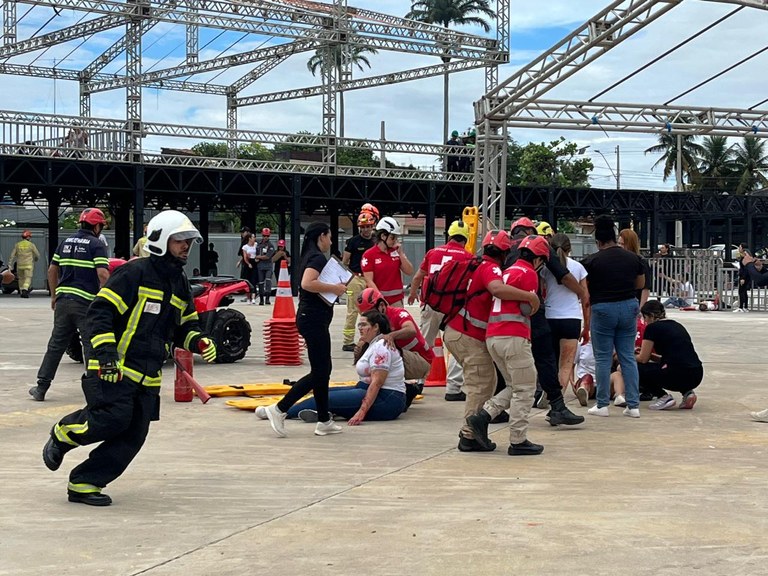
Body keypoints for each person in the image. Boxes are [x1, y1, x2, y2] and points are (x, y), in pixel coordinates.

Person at [40, 210, 217, 506]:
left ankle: (85, 482)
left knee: (134, 435)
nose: (186, 246)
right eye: (180, 240)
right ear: (160, 240)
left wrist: (198, 341)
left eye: (189, 241)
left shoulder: (179, 282)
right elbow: (100, 312)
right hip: (114, 368)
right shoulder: (134, 273)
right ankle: (64, 432)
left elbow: (185, 325)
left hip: (147, 374)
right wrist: (107, 357)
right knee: (110, 419)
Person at [442, 230, 540, 452]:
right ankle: (470, 436)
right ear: (505, 253)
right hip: (469, 334)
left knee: (488, 382)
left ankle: (474, 431)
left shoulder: (476, 265)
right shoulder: (490, 268)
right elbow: (496, 288)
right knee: (481, 385)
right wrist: (530, 296)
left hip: (458, 331)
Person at [465, 235, 551, 456]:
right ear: (539, 259)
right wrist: (534, 301)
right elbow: (525, 309)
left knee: (513, 385)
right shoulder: (529, 274)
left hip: (493, 337)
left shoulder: (507, 271)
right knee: (526, 388)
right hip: (514, 337)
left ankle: (482, 416)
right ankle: (518, 440)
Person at [262, 222, 347, 438]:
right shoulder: (317, 258)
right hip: (313, 320)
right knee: (320, 371)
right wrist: (335, 288)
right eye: (329, 236)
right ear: (321, 236)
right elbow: (308, 283)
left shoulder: (308, 256)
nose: (330, 241)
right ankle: (280, 409)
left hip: (312, 319)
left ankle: (324, 420)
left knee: (323, 370)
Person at [505, 217, 586, 426]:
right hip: (534, 311)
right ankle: (557, 406)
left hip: (503, 313)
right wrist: (582, 293)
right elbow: (564, 276)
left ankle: (495, 407)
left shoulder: (504, 246)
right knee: (545, 358)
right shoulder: (537, 245)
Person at [29, 208, 110, 402]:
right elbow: (103, 275)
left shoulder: (64, 243)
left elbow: (51, 270)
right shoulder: (96, 244)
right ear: (97, 226)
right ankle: (93, 390)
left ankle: (41, 387)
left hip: (64, 301)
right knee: (90, 346)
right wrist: (105, 300)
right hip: (85, 303)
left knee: (56, 345)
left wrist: (54, 295)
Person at [271, 310, 408, 424]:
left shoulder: (381, 348)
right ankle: (324, 413)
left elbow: (377, 383)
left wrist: (362, 411)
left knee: (325, 400)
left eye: (363, 325)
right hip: (367, 390)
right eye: (359, 325)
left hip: (388, 399)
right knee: (323, 392)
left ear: (376, 327)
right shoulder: (372, 344)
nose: (359, 328)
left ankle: (280, 411)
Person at [581, 214, 645, 418]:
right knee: (627, 357)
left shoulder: (591, 261)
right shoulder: (635, 259)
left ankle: (601, 405)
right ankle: (633, 405)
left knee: (602, 357)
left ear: (598, 241)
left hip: (603, 309)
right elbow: (640, 284)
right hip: (628, 307)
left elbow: (586, 290)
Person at [408, 220, 474, 401]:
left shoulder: (433, 253)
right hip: (453, 308)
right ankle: (453, 388)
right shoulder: (467, 257)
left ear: (449, 236)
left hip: (430, 304)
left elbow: (417, 277)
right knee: (456, 346)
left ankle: (417, 381)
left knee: (424, 344)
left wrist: (414, 294)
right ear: (466, 239)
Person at [541, 233, 589, 398]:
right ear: (570, 249)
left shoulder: (545, 268)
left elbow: (541, 292)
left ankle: (547, 393)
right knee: (566, 365)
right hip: (571, 319)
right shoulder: (578, 268)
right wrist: (587, 326)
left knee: (550, 361)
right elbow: (586, 299)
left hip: (549, 317)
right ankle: (558, 399)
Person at [633, 300, 702, 410]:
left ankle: (662, 396)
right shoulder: (677, 325)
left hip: (676, 375)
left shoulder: (652, 328)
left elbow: (642, 359)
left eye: (645, 318)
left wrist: (627, 356)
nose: (644, 321)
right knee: (675, 365)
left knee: (634, 367)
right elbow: (670, 358)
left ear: (650, 316)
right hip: (696, 373)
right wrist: (651, 355)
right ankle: (687, 393)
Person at [356, 287, 434, 382]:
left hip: (420, 359)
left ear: (381, 305)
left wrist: (391, 335)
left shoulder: (398, 313)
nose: (369, 317)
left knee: (381, 351)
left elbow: (411, 330)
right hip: (404, 358)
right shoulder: (377, 321)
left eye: (371, 312)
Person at [341, 209, 377, 351]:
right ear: (359, 228)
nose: (366, 229)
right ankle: (348, 341)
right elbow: (345, 261)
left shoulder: (375, 242)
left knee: (371, 311)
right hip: (355, 278)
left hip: (370, 279)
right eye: (363, 227)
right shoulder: (353, 242)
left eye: (368, 226)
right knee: (352, 310)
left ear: (372, 226)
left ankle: (369, 338)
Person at [361, 216, 414, 307]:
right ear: (383, 236)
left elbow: (409, 271)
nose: (395, 241)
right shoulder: (369, 255)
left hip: (396, 300)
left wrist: (401, 254)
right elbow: (369, 281)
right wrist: (380, 298)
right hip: (378, 301)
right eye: (393, 237)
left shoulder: (396, 252)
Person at [619, 228, 651, 307]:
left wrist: (641, 308)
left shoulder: (641, 261)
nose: (619, 246)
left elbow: (645, 288)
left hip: (633, 302)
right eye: (618, 243)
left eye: (622, 244)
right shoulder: (617, 260)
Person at [10, 229, 40, 298]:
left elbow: (12, 255)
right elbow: (37, 254)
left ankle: (21, 291)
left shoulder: (17, 245)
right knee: (28, 278)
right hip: (28, 265)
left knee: (20, 279)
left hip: (19, 265)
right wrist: (36, 259)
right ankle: (25, 289)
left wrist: (10, 264)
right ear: (28, 237)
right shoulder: (31, 245)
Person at [255, 228, 276, 305]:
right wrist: (256, 257)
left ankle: (267, 298)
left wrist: (258, 257)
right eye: (264, 235)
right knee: (260, 282)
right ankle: (261, 299)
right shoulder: (258, 244)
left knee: (268, 281)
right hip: (260, 266)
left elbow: (267, 257)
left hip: (268, 266)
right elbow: (255, 254)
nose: (265, 237)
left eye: (267, 236)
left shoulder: (270, 246)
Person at [241, 234, 259, 304]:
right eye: (253, 237)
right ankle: (248, 298)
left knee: (254, 280)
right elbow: (245, 257)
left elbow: (258, 252)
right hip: (248, 263)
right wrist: (248, 263)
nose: (254, 238)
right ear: (249, 238)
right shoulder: (245, 247)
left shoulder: (256, 245)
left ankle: (253, 297)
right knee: (247, 281)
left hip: (255, 262)